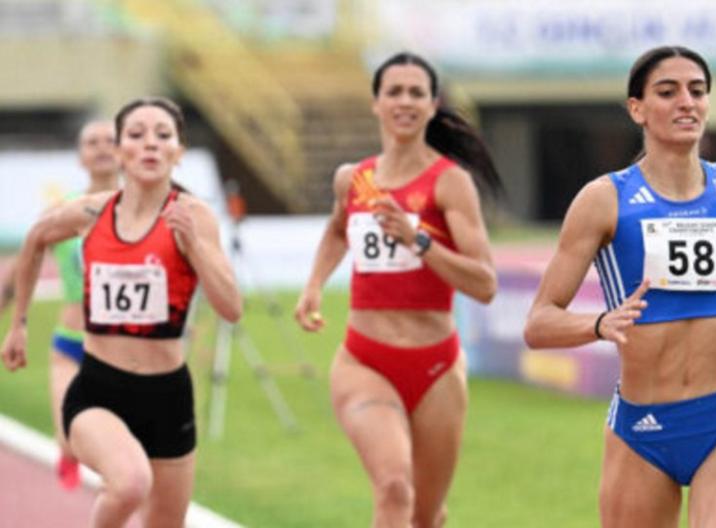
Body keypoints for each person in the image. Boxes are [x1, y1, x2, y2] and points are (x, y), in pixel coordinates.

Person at [523, 46, 716, 528]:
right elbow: (539, 323)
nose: (686, 102)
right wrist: (600, 324)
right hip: (642, 432)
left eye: (697, 91)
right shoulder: (604, 200)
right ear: (637, 109)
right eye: (667, 92)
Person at [1, 96, 242, 527]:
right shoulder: (92, 212)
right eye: (136, 134)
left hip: (168, 395)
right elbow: (37, 237)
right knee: (131, 483)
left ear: (178, 152)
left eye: (163, 135)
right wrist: (18, 324)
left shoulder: (194, 217)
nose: (150, 144)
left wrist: (196, 247)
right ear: (119, 151)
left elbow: (232, 308)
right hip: (99, 388)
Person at [294, 52, 502, 527]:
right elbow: (337, 230)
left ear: (432, 105)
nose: (404, 102)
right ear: (376, 103)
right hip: (364, 360)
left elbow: (485, 283)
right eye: (394, 92)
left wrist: (418, 241)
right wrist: (313, 285)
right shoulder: (355, 179)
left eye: (416, 93)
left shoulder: (450, 184)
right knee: (393, 487)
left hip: (436, 367)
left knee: (426, 516)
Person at [0, 120, 119, 490]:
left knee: (116, 449)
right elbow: (25, 262)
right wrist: (15, 321)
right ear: (80, 157)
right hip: (71, 342)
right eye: (92, 142)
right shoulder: (64, 211)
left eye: (110, 140)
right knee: (70, 439)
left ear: (124, 151)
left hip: (123, 347)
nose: (102, 147)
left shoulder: (140, 209)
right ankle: (67, 451)